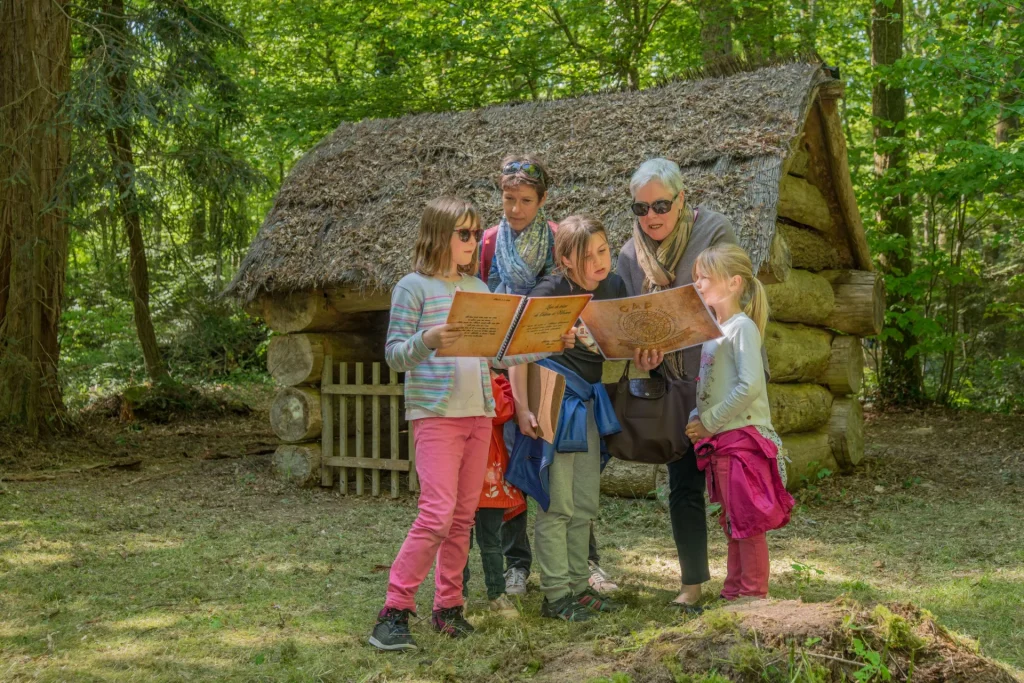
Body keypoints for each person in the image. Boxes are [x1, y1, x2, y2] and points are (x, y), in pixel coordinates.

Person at [369, 197, 575, 651]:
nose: (472, 241)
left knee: (462, 517)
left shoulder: (479, 290)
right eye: (464, 233)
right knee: (436, 514)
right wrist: (428, 339)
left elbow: (499, 355)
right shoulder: (412, 287)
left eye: (474, 232)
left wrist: (549, 343)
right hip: (436, 416)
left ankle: (449, 608)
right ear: (439, 235)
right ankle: (394, 611)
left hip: (478, 415)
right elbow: (395, 355)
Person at [616, 157, 753, 611]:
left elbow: (734, 298)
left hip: (721, 379)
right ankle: (693, 584)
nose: (651, 217)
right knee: (684, 486)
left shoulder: (713, 230)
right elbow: (631, 320)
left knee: (736, 485)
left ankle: (746, 583)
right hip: (674, 385)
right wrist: (642, 350)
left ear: (681, 198)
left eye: (660, 205)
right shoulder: (626, 256)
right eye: (641, 209)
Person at [480, 155, 617, 597]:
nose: (515, 208)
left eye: (524, 200)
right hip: (512, 360)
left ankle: (584, 567)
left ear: (542, 202)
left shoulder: (564, 241)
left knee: (569, 483)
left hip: (559, 367)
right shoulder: (490, 243)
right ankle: (519, 563)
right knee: (520, 465)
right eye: (508, 199)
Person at [507, 215, 626, 621]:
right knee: (557, 504)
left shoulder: (614, 287)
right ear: (565, 261)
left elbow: (621, 345)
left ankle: (579, 586)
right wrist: (522, 408)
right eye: (586, 255)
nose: (598, 260)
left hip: (590, 405)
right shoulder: (550, 292)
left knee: (584, 502)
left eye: (603, 250)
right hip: (553, 405)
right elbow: (516, 353)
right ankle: (556, 594)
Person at [685, 244, 794, 601]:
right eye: (697, 276)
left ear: (733, 283)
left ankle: (752, 595)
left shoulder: (741, 328)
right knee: (735, 519)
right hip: (723, 438)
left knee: (748, 521)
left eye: (705, 277)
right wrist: (696, 418)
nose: (698, 283)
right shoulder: (717, 329)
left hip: (742, 439)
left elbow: (749, 386)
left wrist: (710, 422)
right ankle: (734, 591)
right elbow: (713, 386)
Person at [461, 371, 524, 619]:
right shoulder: (452, 375)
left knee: (491, 540)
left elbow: (501, 412)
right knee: (459, 540)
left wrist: (483, 373)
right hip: (460, 469)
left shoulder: (498, 381)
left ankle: (497, 595)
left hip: (490, 478)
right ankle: (457, 597)